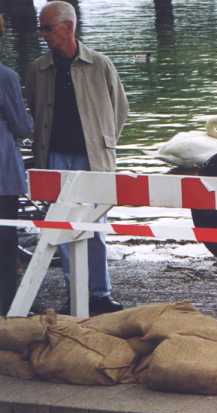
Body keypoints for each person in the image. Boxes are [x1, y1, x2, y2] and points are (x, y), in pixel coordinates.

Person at [25, 1, 128, 315]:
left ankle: (99, 293)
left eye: (47, 28)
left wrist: (105, 144)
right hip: (54, 157)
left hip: (91, 157)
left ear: (68, 27)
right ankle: (75, 292)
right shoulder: (38, 70)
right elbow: (32, 109)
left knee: (95, 225)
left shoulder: (100, 64)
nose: (43, 34)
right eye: (41, 28)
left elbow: (120, 109)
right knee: (61, 227)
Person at [0, 61, 33, 316]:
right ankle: (8, 307)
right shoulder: (6, 76)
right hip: (2, 174)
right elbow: (22, 126)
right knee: (5, 241)